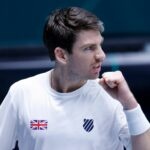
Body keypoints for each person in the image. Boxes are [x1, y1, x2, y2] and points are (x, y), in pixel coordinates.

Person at [0, 6, 150, 150]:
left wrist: (130, 103)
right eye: (89, 48)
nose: (101, 55)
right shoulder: (21, 93)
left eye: (99, 45)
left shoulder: (113, 97)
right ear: (61, 55)